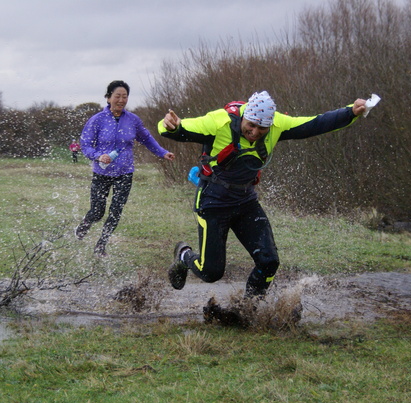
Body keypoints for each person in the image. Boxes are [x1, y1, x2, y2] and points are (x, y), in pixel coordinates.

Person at [158, 90, 370, 298]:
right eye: (251, 125)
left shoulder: (276, 124)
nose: (256, 132)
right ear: (244, 117)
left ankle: (248, 311)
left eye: (262, 128)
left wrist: (350, 112)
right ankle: (183, 255)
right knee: (211, 272)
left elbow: (315, 123)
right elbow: (176, 128)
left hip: (245, 202)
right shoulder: (219, 121)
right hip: (213, 203)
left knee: (269, 262)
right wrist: (172, 127)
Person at [75, 80, 175, 256]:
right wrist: (98, 156)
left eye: (125, 96)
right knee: (98, 211)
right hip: (102, 172)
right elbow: (85, 145)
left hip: (125, 173)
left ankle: (101, 245)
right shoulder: (97, 120)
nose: (121, 100)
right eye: (117, 96)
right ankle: (85, 224)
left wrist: (162, 152)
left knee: (116, 211)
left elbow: (146, 138)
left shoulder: (133, 120)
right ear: (108, 98)